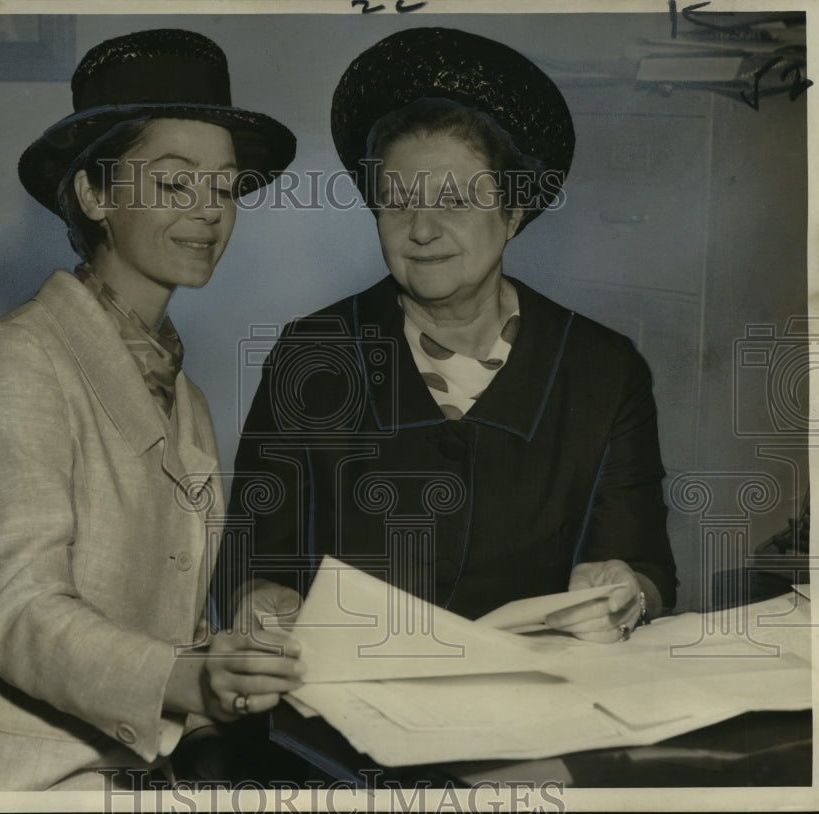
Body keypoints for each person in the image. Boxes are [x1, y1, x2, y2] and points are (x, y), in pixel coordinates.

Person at [0, 29, 304, 791]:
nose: (209, 214)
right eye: (176, 184)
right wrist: (190, 678)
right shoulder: (18, 362)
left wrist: (240, 637)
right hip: (14, 780)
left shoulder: (182, 392)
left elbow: (154, 611)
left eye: (224, 187)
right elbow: (18, 615)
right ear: (95, 193)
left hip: (134, 769)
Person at [222, 27, 677, 646]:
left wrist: (627, 590)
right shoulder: (314, 353)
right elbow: (248, 562)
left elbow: (648, 569)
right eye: (397, 202)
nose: (423, 230)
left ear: (513, 214)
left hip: (532, 704)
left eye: (455, 200)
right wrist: (259, 599)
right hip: (348, 703)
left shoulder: (604, 367)